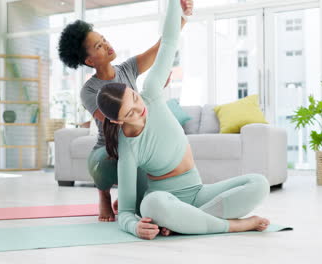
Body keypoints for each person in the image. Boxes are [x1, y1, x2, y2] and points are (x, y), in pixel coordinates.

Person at [96, 0, 271, 240]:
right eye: (130, 113)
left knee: (259, 183)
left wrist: (176, 7)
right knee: (151, 205)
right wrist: (134, 227)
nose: (140, 110)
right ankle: (235, 225)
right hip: (165, 201)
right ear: (117, 122)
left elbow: (168, 42)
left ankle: (186, 223)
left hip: (199, 194)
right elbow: (126, 212)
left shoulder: (152, 91)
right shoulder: (128, 149)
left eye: (135, 99)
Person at [58, 0, 194, 222]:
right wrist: (154, 94)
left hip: (134, 147)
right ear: (89, 60)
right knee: (107, 164)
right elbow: (113, 119)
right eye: (99, 46)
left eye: (104, 40)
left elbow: (162, 46)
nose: (107, 45)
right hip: (108, 150)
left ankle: (127, 198)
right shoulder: (89, 91)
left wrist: (183, 17)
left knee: (144, 206)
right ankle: (103, 195)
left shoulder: (128, 68)